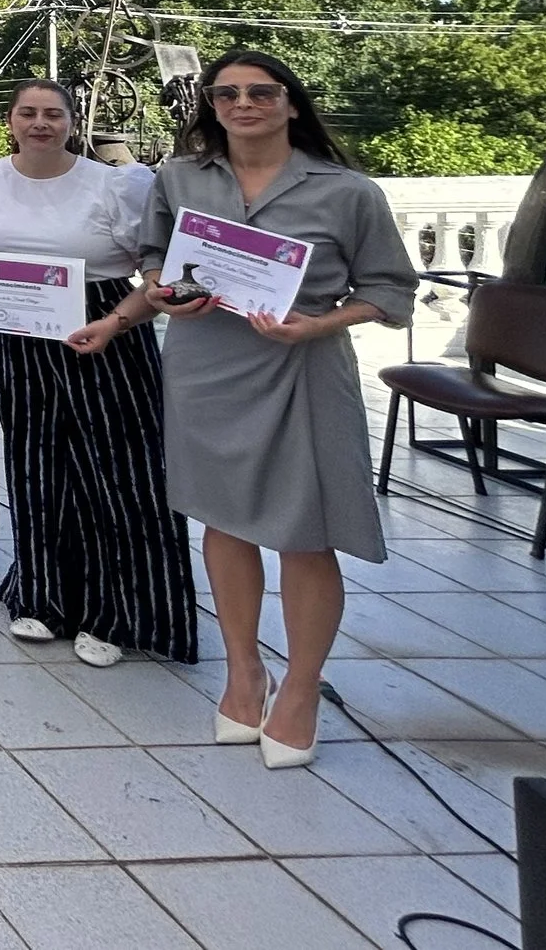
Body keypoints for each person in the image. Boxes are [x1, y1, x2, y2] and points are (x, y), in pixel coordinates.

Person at [90, 50, 414, 768]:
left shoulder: (347, 190)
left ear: (290, 103)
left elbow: (391, 292)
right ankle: (244, 669)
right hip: (207, 364)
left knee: (306, 531)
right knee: (225, 520)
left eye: (260, 92)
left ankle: (300, 687)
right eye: (227, 92)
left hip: (302, 365)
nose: (243, 103)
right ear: (212, 103)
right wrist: (131, 311)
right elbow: (154, 264)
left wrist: (318, 322)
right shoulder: (179, 177)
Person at [0, 80, 193, 668]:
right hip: (21, 336)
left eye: (53, 114)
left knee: (120, 472)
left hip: (105, 331)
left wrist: (115, 322)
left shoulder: (117, 183)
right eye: (27, 113)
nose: (40, 124)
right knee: (36, 465)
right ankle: (43, 595)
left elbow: (160, 274)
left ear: (72, 120)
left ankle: (122, 612)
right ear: (8, 120)